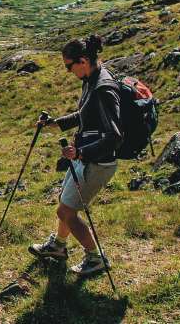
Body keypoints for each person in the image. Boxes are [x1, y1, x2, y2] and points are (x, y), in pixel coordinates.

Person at [29, 34, 122, 276]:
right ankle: (58, 246)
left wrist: (80, 151)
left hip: (98, 163)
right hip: (85, 158)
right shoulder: (91, 80)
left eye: (69, 66)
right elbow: (84, 115)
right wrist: (55, 124)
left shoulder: (103, 88)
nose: (69, 71)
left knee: (66, 212)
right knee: (65, 202)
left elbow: (114, 137)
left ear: (82, 60)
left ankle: (95, 258)